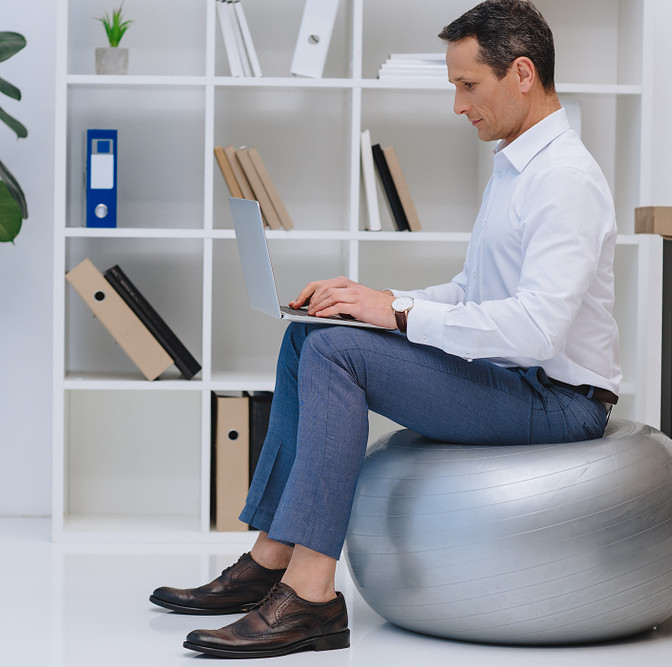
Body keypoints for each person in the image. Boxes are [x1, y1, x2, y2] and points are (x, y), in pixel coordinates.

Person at [151, 0, 621, 659]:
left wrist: (397, 315)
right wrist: (374, 298)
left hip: (556, 400)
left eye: (467, 86)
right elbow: (474, 294)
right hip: (512, 378)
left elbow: (537, 331)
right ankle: (270, 556)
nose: (459, 106)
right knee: (309, 336)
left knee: (339, 354)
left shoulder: (565, 180)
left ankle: (312, 597)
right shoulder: (516, 167)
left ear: (521, 73)